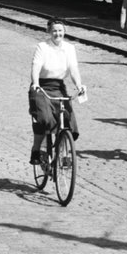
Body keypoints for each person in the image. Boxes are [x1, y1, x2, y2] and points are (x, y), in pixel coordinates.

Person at [29, 17, 86, 167]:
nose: (57, 34)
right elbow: (35, 67)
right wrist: (35, 83)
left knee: (68, 119)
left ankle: (63, 153)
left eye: (60, 30)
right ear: (49, 31)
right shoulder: (42, 47)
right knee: (44, 119)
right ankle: (36, 149)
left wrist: (79, 84)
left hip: (59, 87)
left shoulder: (69, 48)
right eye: (54, 31)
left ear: (65, 31)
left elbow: (73, 69)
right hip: (41, 86)